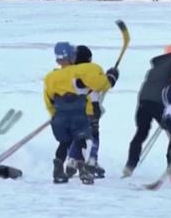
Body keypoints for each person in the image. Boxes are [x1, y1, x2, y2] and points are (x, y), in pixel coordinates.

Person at [43, 42, 118, 184]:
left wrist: (55, 115)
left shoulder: (51, 77)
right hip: (80, 115)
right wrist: (111, 77)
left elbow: (49, 101)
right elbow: (100, 84)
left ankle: (58, 169)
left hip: (60, 117)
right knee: (82, 140)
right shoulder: (84, 70)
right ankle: (84, 170)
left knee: (64, 143)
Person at [123, 43, 171, 177]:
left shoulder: (155, 67)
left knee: (141, 133)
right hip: (160, 104)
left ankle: (130, 165)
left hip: (143, 102)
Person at [65, 45, 110, 178]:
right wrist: (111, 77)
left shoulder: (68, 71)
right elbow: (99, 85)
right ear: (89, 58)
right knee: (93, 135)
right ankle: (91, 161)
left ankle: (72, 160)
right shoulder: (91, 68)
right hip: (88, 111)